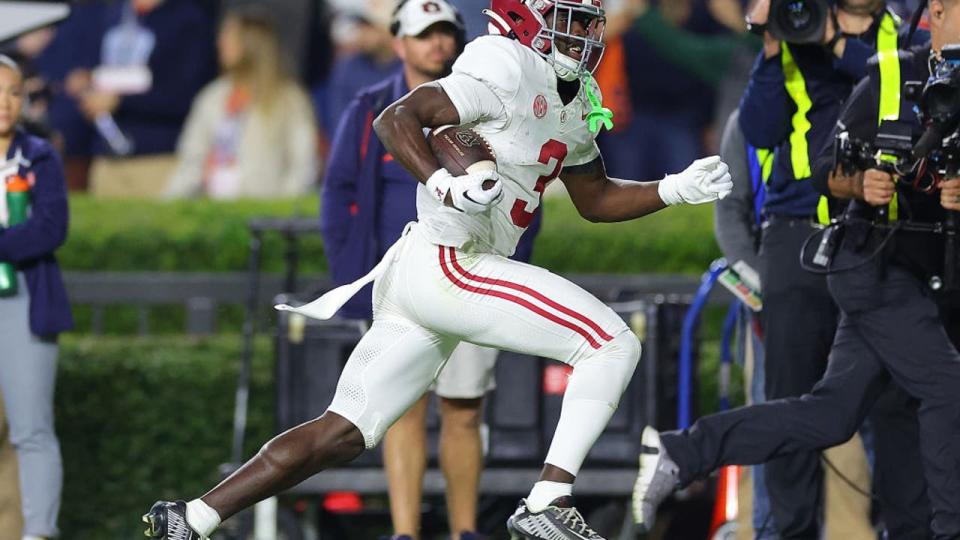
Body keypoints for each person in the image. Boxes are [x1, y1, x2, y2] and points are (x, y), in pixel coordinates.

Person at [141, 1, 732, 539]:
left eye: (589, 21)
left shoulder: (572, 99)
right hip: (453, 262)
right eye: (571, 18)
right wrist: (444, 181)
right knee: (611, 342)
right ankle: (548, 499)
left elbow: (596, 198)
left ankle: (191, 517)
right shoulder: (504, 62)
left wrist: (673, 189)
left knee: (342, 431)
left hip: (434, 274)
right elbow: (398, 118)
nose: (585, 33)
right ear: (529, 17)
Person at [632, 1, 960, 538]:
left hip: (921, 269)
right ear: (939, 13)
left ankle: (682, 450)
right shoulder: (894, 68)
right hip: (868, 258)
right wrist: (859, 184)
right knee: (948, 388)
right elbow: (827, 165)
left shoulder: (898, 49)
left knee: (833, 414)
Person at [320, 1, 539, 538]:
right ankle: (405, 532)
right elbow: (339, 196)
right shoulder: (372, 105)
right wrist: (353, 284)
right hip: (402, 279)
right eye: (424, 35)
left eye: (445, 33)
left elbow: (528, 193)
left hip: (474, 271)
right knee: (403, 407)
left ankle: (465, 531)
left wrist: (511, 270)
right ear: (399, 43)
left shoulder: (489, 108)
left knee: (465, 409)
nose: (435, 44)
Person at [734, 0, 928, 536]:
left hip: (889, 237)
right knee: (791, 400)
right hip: (799, 235)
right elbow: (759, 129)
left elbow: (904, 90)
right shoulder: (795, 25)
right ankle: (788, 532)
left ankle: (903, 530)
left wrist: (836, 44)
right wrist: (774, 48)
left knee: (897, 405)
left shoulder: (905, 31)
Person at [0, 54, 73, 540]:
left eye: (12, 92)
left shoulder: (40, 155)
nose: (5, 104)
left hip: (24, 298)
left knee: (31, 428)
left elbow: (50, 229)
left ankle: (38, 533)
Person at [164, 6, 318, 199]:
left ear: (251, 44)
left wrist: (281, 214)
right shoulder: (212, 97)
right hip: (211, 210)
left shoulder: (289, 100)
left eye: (229, 36)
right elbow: (190, 162)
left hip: (265, 214)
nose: (220, 43)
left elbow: (304, 167)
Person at [66, 0, 216, 198]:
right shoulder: (110, 14)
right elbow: (97, 68)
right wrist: (88, 79)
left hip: (157, 159)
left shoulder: (188, 18)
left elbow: (185, 96)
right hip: (106, 159)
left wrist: (121, 102)